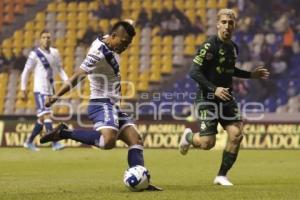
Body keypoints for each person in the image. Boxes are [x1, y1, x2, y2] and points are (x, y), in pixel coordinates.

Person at [39, 21, 162, 191]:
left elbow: (120, 29)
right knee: (108, 140)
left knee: (136, 140)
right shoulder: (98, 53)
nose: (125, 46)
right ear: (113, 37)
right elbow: (78, 76)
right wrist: (55, 97)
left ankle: (141, 181)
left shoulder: (110, 40)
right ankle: (64, 132)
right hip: (100, 102)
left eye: (128, 44)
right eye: (123, 42)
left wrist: (128, 24)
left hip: (112, 104)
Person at [179, 9, 270, 186]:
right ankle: (189, 138)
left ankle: (221, 175)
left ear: (234, 25)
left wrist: (251, 75)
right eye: (224, 22)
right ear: (218, 24)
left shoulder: (233, 48)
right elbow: (194, 71)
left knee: (236, 134)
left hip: (226, 98)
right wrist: (214, 89)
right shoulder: (209, 45)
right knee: (207, 143)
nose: (227, 25)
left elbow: (230, 69)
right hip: (207, 98)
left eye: (231, 22)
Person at [21, 30, 68, 151]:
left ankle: (29, 142)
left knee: (42, 118)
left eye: (48, 37)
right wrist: (23, 88)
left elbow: (59, 69)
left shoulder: (55, 53)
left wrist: (67, 81)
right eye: (44, 37)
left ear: (51, 39)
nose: (46, 39)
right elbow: (26, 72)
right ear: (40, 40)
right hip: (40, 90)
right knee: (47, 114)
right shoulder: (34, 54)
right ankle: (54, 143)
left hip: (50, 90)